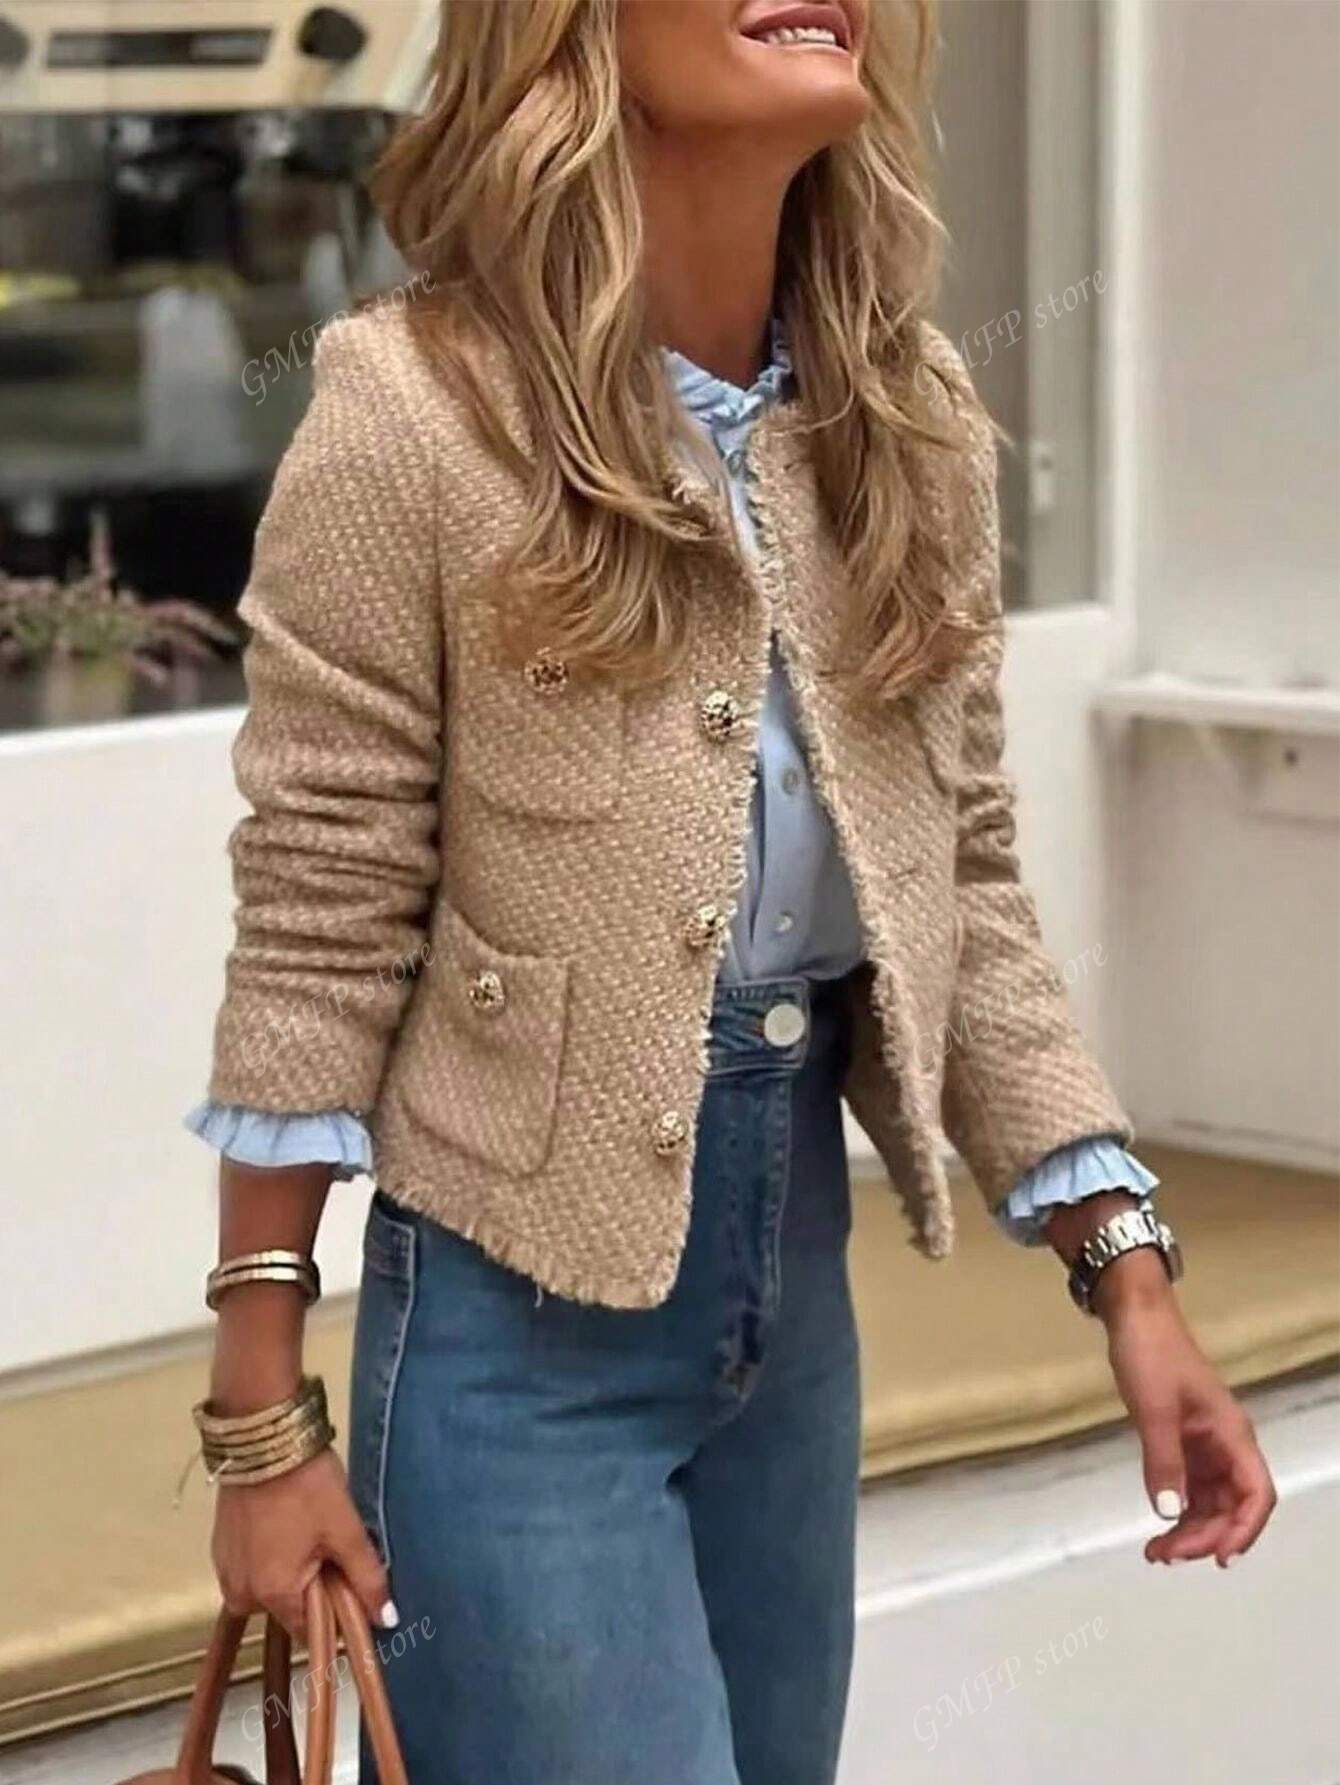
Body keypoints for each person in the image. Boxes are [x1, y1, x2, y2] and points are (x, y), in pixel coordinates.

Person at [183, 3, 1277, 1780]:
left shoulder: (910, 423)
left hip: (794, 1332)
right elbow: (321, 912)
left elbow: (967, 886)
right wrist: (260, 1418)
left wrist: (1128, 1270)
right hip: (509, 1361)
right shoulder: (414, 409)